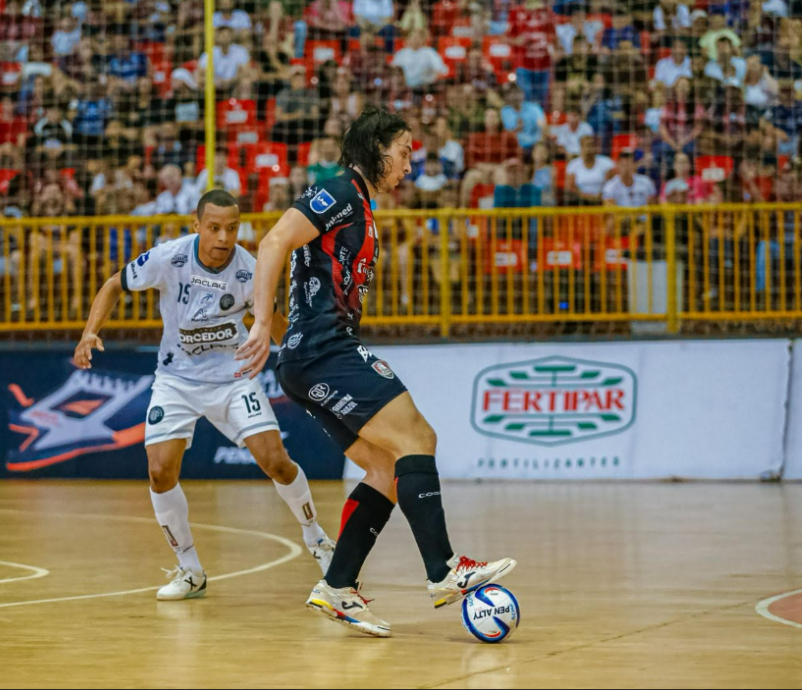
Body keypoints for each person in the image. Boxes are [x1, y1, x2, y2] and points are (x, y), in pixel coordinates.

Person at [237, 107, 515, 638]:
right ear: (375, 147)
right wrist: (261, 323)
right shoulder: (339, 191)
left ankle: (337, 587)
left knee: (387, 469)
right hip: (323, 350)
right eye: (405, 151)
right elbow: (273, 242)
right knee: (418, 436)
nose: (409, 166)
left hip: (312, 356)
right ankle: (445, 572)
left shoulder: (359, 203)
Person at [73, 190, 336, 601]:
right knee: (160, 471)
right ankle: (190, 569)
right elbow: (113, 284)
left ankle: (316, 537)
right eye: (214, 228)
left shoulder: (251, 270)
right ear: (196, 226)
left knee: (275, 461)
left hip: (233, 378)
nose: (223, 237)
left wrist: (307, 362)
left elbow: (274, 323)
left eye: (232, 228)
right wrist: (91, 331)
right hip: (176, 379)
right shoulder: (169, 257)